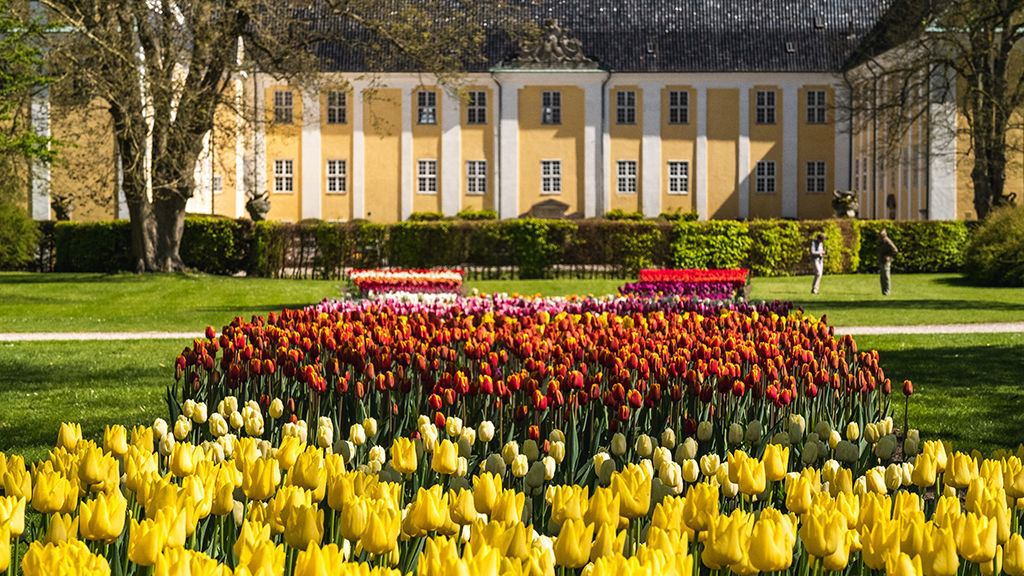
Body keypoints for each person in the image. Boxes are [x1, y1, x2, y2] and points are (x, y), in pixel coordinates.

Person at [878, 229, 899, 295]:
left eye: (879, 236)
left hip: (886, 262)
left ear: (883, 236)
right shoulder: (882, 241)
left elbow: (895, 250)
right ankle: (883, 291)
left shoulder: (887, 241)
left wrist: (888, 255)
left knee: (886, 276)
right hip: (882, 261)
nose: (878, 237)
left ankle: (887, 291)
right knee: (882, 277)